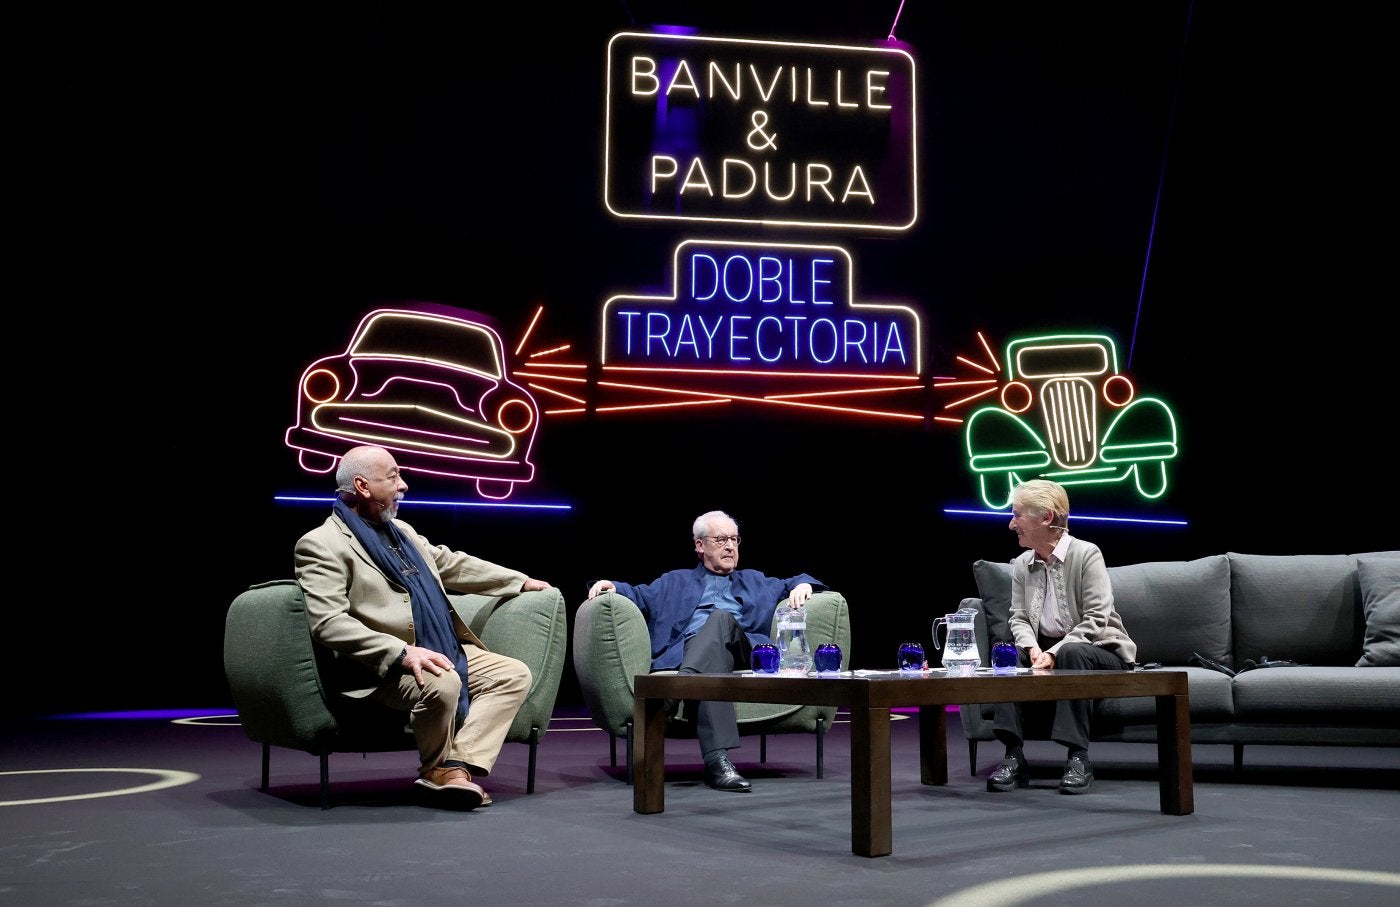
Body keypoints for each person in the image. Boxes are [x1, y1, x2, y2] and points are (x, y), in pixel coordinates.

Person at [294, 444, 554, 811]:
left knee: (512, 674)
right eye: (393, 476)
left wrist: (519, 581)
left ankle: (454, 766)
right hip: (379, 666)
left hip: (439, 646)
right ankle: (437, 770)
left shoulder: (402, 531)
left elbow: (452, 564)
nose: (404, 485)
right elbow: (328, 623)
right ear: (363, 486)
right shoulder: (322, 544)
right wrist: (401, 652)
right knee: (443, 680)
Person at [586, 510, 826, 792]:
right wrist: (610, 585)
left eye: (735, 539)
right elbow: (639, 595)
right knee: (711, 653)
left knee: (720, 618)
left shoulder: (755, 580)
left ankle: (678, 688)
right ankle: (717, 762)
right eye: (721, 539)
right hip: (696, 655)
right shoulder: (674, 581)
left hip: (742, 651)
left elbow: (794, 580)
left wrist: (803, 584)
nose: (730, 546)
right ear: (700, 545)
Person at [985, 479, 1137, 795]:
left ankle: (1078, 759)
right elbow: (1019, 617)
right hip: (1048, 651)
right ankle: (1013, 757)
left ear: (1047, 518)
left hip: (1100, 651)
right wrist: (1031, 648)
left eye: (1018, 515)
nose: (1012, 524)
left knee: (1074, 653)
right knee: (1008, 655)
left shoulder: (1087, 554)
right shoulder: (1021, 565)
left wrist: (1052, 652)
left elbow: (1096, 619)